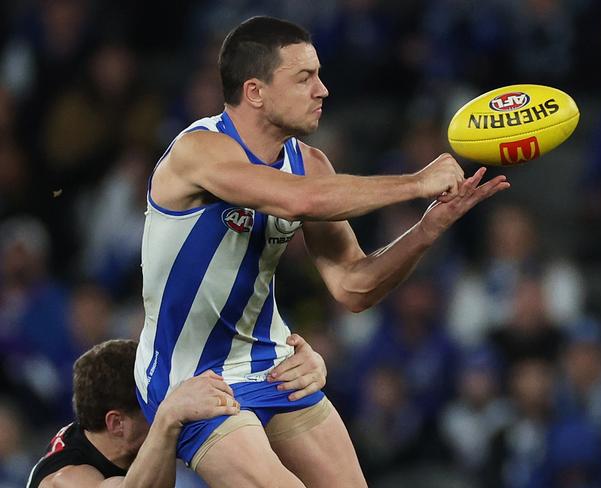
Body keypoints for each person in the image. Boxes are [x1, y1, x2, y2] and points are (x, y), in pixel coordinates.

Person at [135, 15, 510, 488]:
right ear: (255, 92)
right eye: (305, 77)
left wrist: (426, 229)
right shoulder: (199, 150)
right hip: (191, 378)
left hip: (274, 365)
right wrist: (416, 182)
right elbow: (298, 199)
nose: (323, 90)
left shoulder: (309, 163)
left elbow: (353, 285)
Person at [27, 335, 326, 487]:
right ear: (117, 423)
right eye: (151, 404)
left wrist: (298, 365)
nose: (174, 405)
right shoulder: (65, 480)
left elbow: (229, 386)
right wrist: (168, 415)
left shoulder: (124, 443)